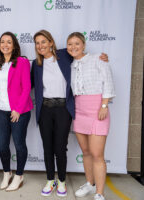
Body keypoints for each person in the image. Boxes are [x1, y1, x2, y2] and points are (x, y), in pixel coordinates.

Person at [31, 30, 108, 197]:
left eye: (44, 42)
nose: (40, 46)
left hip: (63, 109)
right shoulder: (36, 64)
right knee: (47, 147)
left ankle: (62, 181)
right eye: (37, 43)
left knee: (60, 147)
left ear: (51, 42)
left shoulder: (65, 55)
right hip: (44, 109)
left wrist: (101, 57)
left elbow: (81, 55)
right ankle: (50, 179)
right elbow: (26, 83)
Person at [67, 32, 115, 200]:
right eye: (70, 44)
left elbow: (108, 82)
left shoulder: (98, 59)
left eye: (77, 43)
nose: (73, 47)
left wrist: (104, 105)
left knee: (97, 154)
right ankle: (89, 183)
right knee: (86, 152)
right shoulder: (70, 64)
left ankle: (99, 193)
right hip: (79, 110)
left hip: (97, 110)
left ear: (84, 45)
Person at [0, 32, 33, 191]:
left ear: (14, 45)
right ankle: (6, 172)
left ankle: (19, 175)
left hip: (20, 111)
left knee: (19, 144)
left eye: (9, 42)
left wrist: (17, 109)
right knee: (2, 145)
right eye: (2, 42)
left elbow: (26, 88)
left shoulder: (22, 62)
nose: (5, 45)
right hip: (1, 110)